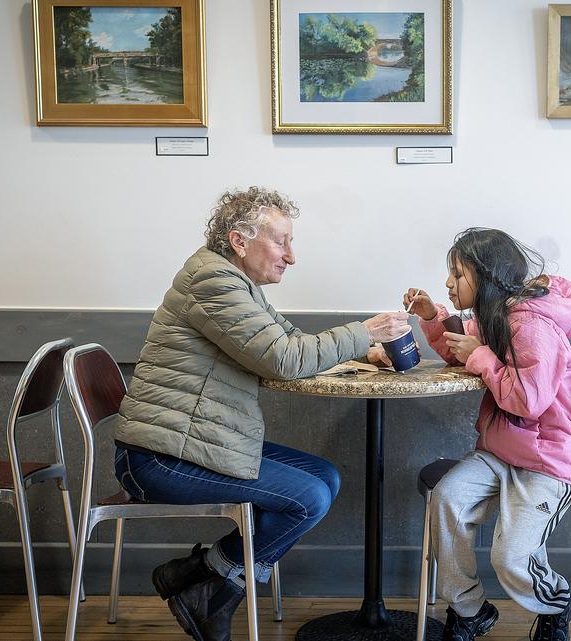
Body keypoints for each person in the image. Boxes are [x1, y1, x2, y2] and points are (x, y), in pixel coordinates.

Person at [111, 187, 410, 641]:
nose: (291, 256)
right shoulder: (213, 283)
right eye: (282, 241)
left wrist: (365, 351)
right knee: (309, 497)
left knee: (325, 477)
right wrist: (363, 329)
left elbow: (285, 338)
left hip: (190, 442)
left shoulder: (233, 282)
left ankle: (202, 573)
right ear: (238, 241)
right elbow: (283, 359)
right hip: (157, 457)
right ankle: (212, 590)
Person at [403, 228, 571, 641]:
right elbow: (461, 350)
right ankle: (470, 610)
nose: (448, 283)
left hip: (546, 462)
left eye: (457, 274)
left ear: (486, 277)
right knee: (447, 499)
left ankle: (555, 604)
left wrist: (483, 359)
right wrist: (433, 317)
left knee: (510, 558)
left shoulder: (532, 326)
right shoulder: (495, 317)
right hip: (500, 454)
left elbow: (530, 401)